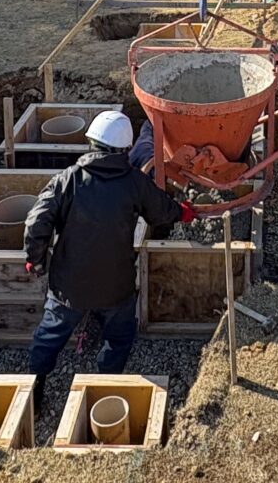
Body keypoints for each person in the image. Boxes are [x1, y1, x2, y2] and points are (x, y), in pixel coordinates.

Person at [23, 108, 197, 380]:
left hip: (70, 285)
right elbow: (162, 211)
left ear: (91, 143)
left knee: (49, 337)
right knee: (119, 337)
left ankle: (34, 386)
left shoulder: (67, 180)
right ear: (125, 148)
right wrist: (183, 212)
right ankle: (106, 384)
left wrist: (35, 259)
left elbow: (37, 222)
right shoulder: (134, 183)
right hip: (115, 286)